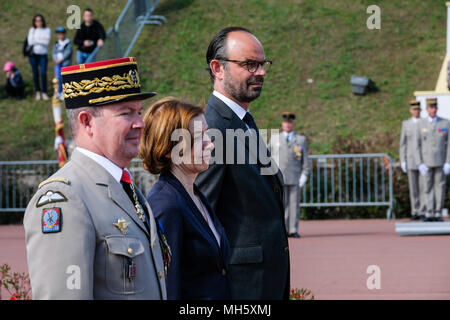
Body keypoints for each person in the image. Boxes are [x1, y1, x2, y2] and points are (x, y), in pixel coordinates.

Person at [23, 57, 168, 299]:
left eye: (139, 112)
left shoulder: (125, 187)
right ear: (87, 121)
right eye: (126, 113)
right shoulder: (66, 200)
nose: (141, 123)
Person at [195, 27, 290, 300]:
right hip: (238, 288)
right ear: (218, 68)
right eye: (249, 64)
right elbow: (199, 220)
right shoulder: (210, 130)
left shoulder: (242, 121)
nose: (260, 72)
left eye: (262, 64)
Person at [140, 97, 231, 300]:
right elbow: (168, 286)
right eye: (199, 137)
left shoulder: (194, 194)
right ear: (171, 146)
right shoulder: (166, 204)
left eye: (207, 134)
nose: (209, 144)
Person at [269, 112, 310, 238]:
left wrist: (304, 175)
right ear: (282, 124)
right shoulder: (275, 139)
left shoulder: (300, 140)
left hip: (295, 177)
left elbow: (306, 160)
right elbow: (267, 158)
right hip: (280, 178)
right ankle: (283, 229)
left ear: (293, 124)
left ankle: (293, 229)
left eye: (290, 123)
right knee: (281, 205)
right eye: (286, 123)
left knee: (294, 205)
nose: (288, 125)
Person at [417, 98, 450, 222]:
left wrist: (448, 161)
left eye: (435, 107)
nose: (433, 110)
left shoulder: (445, 123)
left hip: (440, 160)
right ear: (427, 109)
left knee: (440, 187)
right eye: (431, 107)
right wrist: (419, 162)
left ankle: (438, 212)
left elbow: (449, 144)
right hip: (426, 161)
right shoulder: (421, 124)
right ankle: (429, 212)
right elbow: (417, 144)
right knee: (427, 187)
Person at [399, 99, 425, 220]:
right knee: (413, 188)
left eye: (418, 109)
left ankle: (423, 210)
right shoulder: (406, 124)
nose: (416, 111)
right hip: (411, 159)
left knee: (423, 187)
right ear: (411, 111)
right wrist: (402, 160)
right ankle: (415, 210)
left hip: (424, 160)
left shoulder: (424, 123)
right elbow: (403, 143)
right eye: (414, 109)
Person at [27, 14, 50, 101]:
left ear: (43, 21)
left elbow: (46, 42)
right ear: (34, 22)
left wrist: (36, 40)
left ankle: (44, 92)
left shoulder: (47, 30)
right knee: (35, 73)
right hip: (33, 55)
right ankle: (37, 91)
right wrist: (41, 40)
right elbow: (30, 42)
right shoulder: (32, 30)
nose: (39, 22)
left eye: (40, 20)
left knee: (43, 73)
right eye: (37, 21)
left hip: (43, 54)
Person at [52, 27, 72, 101]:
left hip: (65, 64)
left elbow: (68, 53)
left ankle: (65, 93)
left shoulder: (68, 43)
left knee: (64, 78)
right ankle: (58, 92)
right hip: (57, 64)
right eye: (59, 34)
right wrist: (56, 59)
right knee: (58, 78)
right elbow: (53, 53)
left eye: (61, 34)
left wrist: (61, 59)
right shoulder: (56, 43)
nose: (60, 36)